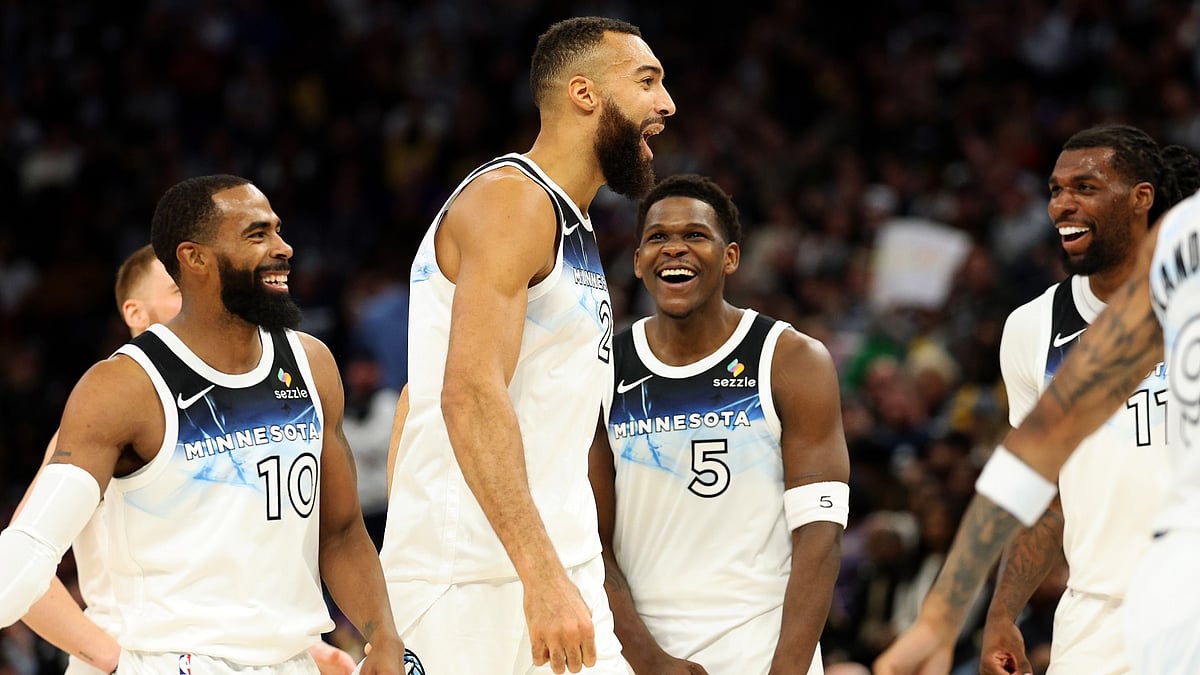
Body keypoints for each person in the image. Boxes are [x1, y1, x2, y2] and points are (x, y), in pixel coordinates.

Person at [0, 175, 405, 675]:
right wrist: (105, 657)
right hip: (164, 659)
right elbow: (32, 544)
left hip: (288, 660)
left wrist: (382, 630)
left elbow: (340, 531)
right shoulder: (123, 387)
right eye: (257, 235)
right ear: (194, 259)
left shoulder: (311, 363)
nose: (284, 247)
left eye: (277, 230)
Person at [378, 15, 674, 675]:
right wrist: (537, 573)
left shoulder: (572, 223)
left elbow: (415, 397)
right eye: (647, 81)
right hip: (475, 583)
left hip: (550, 566)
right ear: (584, 94)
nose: (666, 103)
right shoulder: (512, 200)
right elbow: (468, 391)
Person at [873, 175, 1200, 671]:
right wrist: (946, 614)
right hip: (1125, 608)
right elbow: (1038, 451)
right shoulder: (1179, 248)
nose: (1065, 207)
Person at [589, 174, 849, 674]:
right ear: (639, 260)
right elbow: (590, 539)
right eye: (658, 238)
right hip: (640, 655)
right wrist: (646, 659)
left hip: (761, 647)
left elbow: (821, 535)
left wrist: (787, 670)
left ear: (729, 257)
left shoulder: (791, 360)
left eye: (695, 235)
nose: (674, 249)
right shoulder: (603, 366)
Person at [980, 125, 1200, 675]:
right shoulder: (1031, 328)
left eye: (1085, 186)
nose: (1062, 205)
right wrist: (1003, 611)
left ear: (1140, 198)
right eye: (1055, 190)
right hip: (1098, 621)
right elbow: (1045, 494)